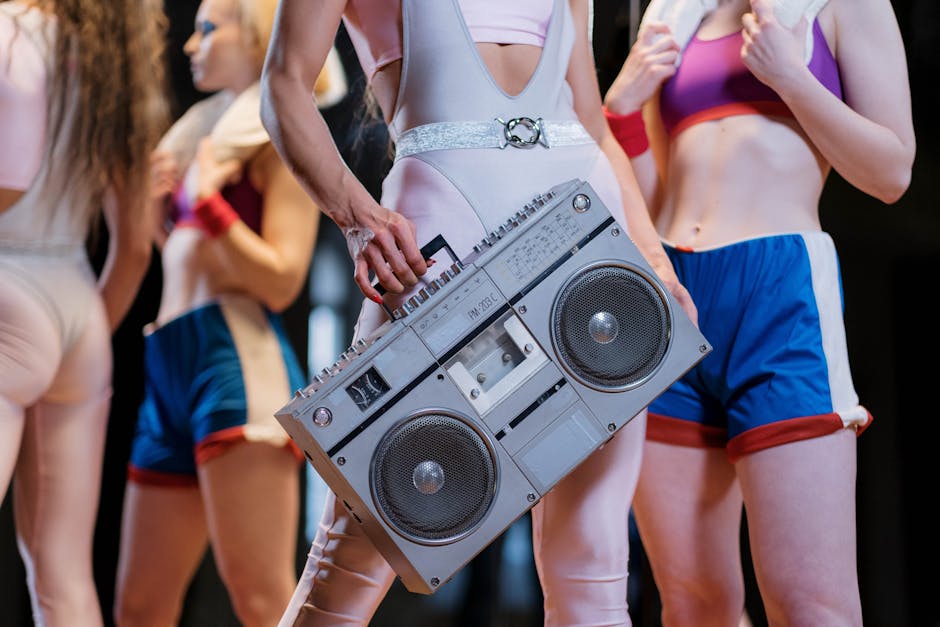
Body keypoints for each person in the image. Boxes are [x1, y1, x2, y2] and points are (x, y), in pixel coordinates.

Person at [260, 0, 697, 625]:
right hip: (438, 228)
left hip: (586, 224)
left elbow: (591, 122)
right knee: (353, 558)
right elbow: (282, 84)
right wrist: (356, 216)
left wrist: (654, 259)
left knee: (593, 561)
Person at [602, 0, 915, 624]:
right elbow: (655, 192)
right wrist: (621, 111)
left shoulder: (847, 5)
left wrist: (791, 78)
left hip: (778, 289)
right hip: (673, 296)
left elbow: (891, 172)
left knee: (810, 605)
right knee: (693, 605)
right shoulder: (674, 11)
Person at [111, 0, 343, 625]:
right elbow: (189, 263)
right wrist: (169, 213)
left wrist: (209, 206)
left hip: (232, 362)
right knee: (139, 606)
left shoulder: (277, 143)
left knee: (264, 600)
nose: (191, 44)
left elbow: (282, 280)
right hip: (171, 359)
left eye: (209, 30)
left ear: (258, 37)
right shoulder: (202, 140)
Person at [0, 0, 167, 624]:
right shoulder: (117, 73)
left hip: (9, 282)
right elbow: (133, 250)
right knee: (64, 577)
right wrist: (74, 348)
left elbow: (8, 181)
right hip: (78, 311)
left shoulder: (11, 31)